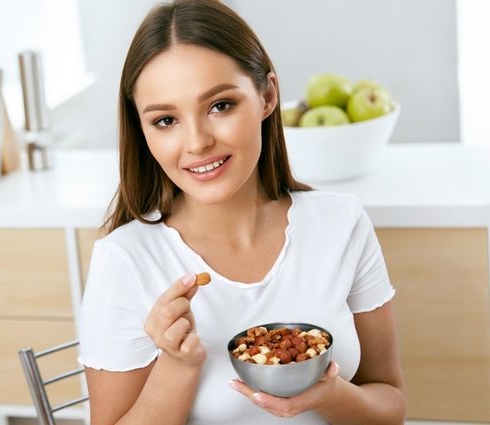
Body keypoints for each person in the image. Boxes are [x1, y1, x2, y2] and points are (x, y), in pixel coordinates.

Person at [77, 1, 405, 424]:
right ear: (142, 131)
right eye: (165, 120)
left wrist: (328, 394)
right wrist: (178, 366)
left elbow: (390, 407)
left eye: (219, 106)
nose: (196, 143)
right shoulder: (125, 260)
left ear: (267, 96)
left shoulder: (340, 223)